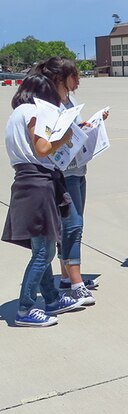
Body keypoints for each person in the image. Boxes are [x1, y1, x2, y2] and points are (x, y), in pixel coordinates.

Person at [4, 75, 82, 327]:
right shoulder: (34, 113)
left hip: (27, 181)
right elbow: (43, 149)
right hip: (38, 183)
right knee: (44, 251)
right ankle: (25, 309)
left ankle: (50, 298)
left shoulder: (16, 114)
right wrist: (66, 136)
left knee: (43, 246)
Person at [30, 57, 107, 306]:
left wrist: (89, 125)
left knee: (72, 227)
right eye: (75, 76)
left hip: (78, 169)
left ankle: (66, 277)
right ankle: (76, 284)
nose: (79, 81)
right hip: (63, 173)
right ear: (60, 78)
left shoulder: (68, 100)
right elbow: (49, 141)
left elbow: (71, 129)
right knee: (73, 226)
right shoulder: (49, 104)